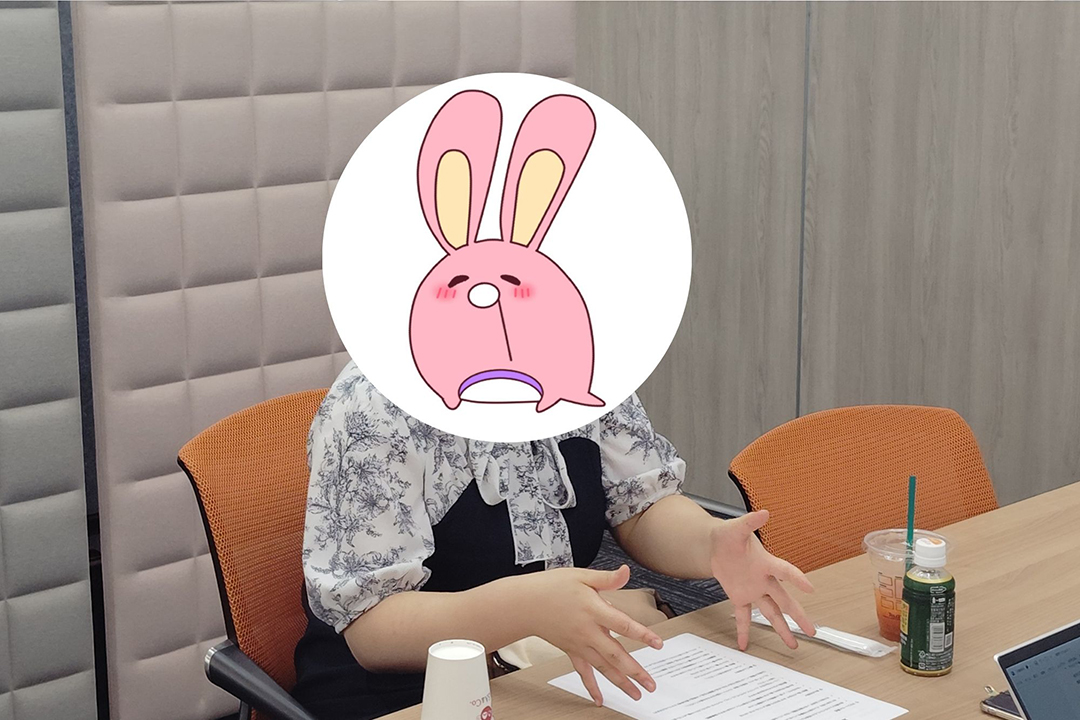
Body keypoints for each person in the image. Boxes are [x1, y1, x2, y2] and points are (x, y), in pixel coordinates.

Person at [291, 363, 816, 719]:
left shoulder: (582, 363)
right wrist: (529, 611)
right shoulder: (375, 403)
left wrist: (708, 540)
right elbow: (373, 632)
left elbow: (640, 505)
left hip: (554, 661)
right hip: (408, 690)